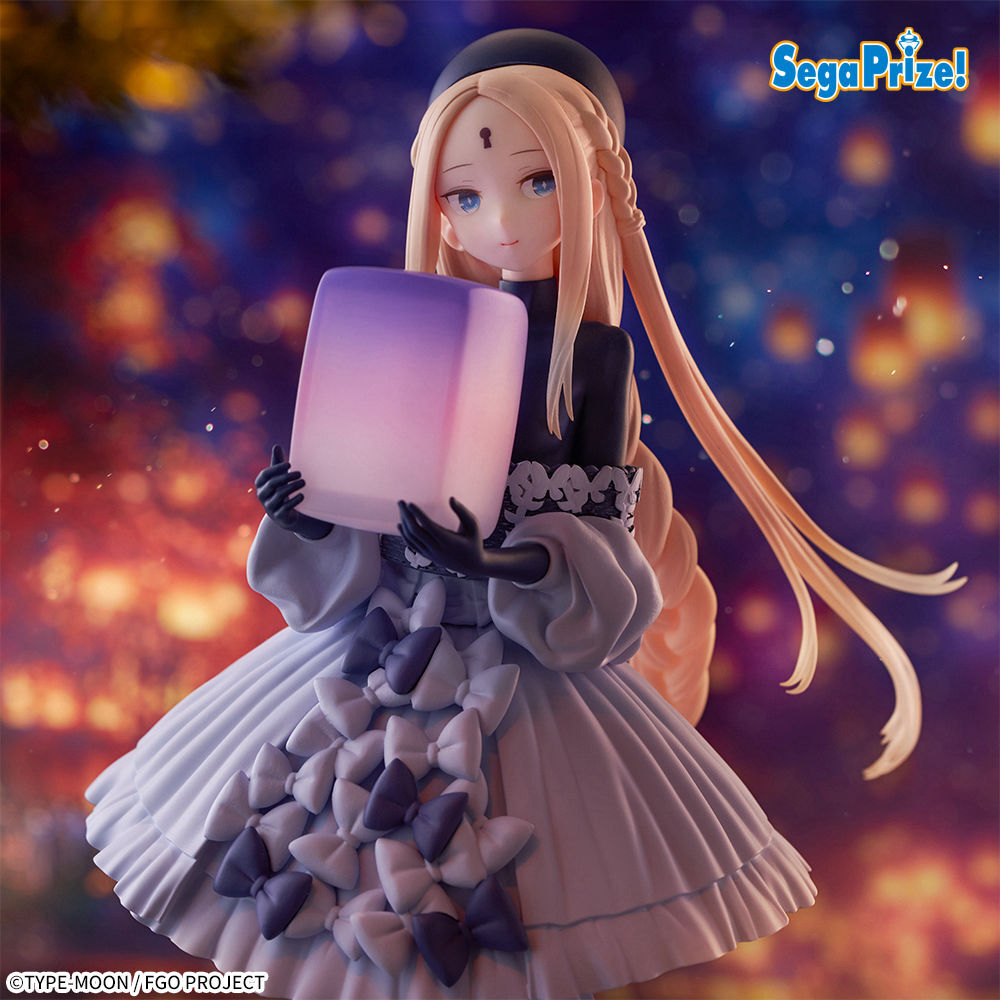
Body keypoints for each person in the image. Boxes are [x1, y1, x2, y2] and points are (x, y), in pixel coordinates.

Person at [85, 30, 962, 1000]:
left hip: (523, 652)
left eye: (536, 181)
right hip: (384, 638)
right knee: (316, 856)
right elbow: (373, 494)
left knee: (509, 897)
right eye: (463, 196)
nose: (497, 218)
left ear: (592, 189)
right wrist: (308, 508)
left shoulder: (593, 357)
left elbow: (596, 536)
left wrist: (494, 562)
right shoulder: (423, 328)